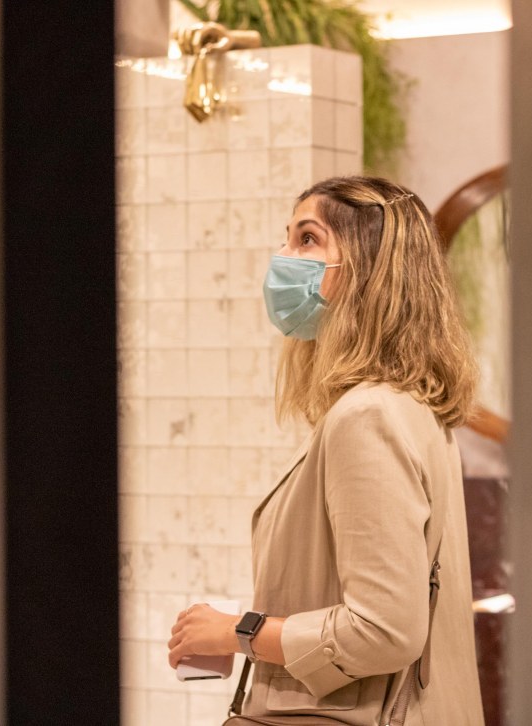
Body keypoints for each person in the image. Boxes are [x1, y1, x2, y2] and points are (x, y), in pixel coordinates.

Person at [167, 176, 486, 726]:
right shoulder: (410, 407)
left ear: (366, 267)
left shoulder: (367, 417)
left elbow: (384, 630)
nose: (283, 256)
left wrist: (239, 632)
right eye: (288, 237)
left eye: (307, 238)